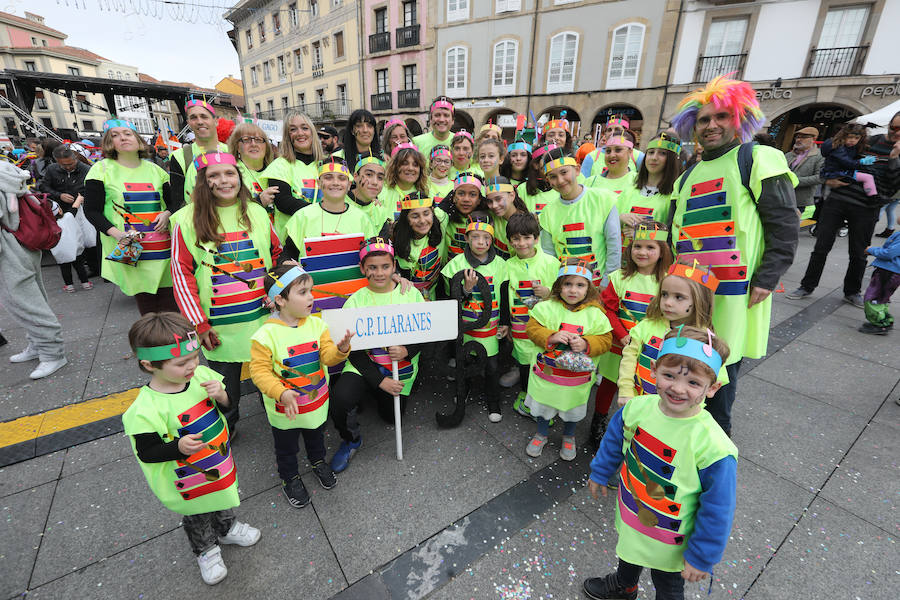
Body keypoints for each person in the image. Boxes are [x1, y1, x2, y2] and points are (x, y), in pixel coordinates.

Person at [670, 75, 799, 436]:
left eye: (721, 117)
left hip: (736, 293)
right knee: (687, 368)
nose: (711, 125)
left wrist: (767, 278)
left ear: (739, 119)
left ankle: (714, 453)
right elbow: (675, 234)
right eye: (704, 119)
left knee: (720, 377)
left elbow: (784, 224)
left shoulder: (759, 158)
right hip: (691, 294)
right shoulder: (688, 174)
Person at [584, 325, 737, 600]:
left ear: (712, 388)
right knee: (629, 552)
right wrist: (600, 471)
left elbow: (718, 507)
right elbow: (614, 440)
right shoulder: (637, 408)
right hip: (634, 511)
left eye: (693, 383)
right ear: (653, 369)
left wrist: (702, 556)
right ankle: (624, 585)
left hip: (671, 539)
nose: (678, 389)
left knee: (667, 586)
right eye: (669, 376)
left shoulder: (714, 446)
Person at [123, 312, 260, 585]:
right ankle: (206, 550)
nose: (192, 366)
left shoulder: (201, 376)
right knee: (197, 514)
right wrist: (177, 447)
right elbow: (147, 452)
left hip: (218, 463)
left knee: (223, 495)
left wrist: (221, 395)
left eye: (195, 357)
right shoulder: (145, 409)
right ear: (150, 365)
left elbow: (227, 406)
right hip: (190, 476)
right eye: (182, 362)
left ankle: (227, 527)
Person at [171, 151, 281, 434]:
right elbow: (182, 276)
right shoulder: (185, 219)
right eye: (214, 175)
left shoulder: (256, 211)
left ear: (238, 177)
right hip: (219, 327)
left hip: (262, 318)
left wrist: (278, 292)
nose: (223, 181)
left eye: (229, 173)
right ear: (203, 182)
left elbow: (278, 256)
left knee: (268, 376)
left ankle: (277, 418)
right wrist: (200, 324)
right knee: (224, 387)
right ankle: (226, 426)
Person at [249, 264, 352, 506]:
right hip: (285, 410)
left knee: (317, 436)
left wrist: (341, 350)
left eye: (311, 291)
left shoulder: (317, 325)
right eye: (303, 292)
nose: (311, 297)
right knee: (286, 447)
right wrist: (281, 392)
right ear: (280, 300)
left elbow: (327, 356)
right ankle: (290, 477)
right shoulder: (265, 335)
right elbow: (259, 371)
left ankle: (318, 462)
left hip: (315, 403)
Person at [329, 238, 424, 472]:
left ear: (394, 267)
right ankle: (351, 440)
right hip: (365, 365)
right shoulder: (355, 301)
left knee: (391, 418)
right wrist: (380, 381)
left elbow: (426, 334)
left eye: (385, 266)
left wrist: (407, 350)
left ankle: (374, 395)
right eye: (372, 267)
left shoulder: (409, 294)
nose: (379, 273)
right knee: (340, 399)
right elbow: (355, 353)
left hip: (398, 365)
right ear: (363, 269)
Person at [84, 119, 178, 315]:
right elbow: (92, 211)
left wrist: (167, 213)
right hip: (129, 247)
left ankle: (176, 345)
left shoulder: (157, 170)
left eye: (127, 133)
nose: (122, 138)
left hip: (162, 247)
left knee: (171, 306)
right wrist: (118, 235)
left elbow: (174, 203)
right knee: (148, 309)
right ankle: (154, 345)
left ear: (138, 139)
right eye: (115, 135)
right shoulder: (100, 170)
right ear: (109, 143)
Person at [592, 222, 672, 450]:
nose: (642, 252)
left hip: (650, 349)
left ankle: (640, 427)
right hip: (619, 345)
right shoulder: (619, 278)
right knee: (609, 383)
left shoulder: (667, 280)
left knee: (645, 386)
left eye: (650, 247)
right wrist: (622, 335)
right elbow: (607, 309)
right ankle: (598, 422)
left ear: (661, 251)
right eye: (637, 246)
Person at [523, 257, 612, 460]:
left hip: (575, 381)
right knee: (543, 407)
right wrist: (551, 336)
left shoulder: (596, 315)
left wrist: (587, 343)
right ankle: (541, 433)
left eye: (580, 285)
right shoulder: (546, 307)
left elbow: (606, 340)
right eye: (568, 284)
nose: (573, 290)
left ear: (589, 288)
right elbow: (532, 328)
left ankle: (569, 436)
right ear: (559, 286)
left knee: (573, 409)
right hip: (547, 377)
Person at [617, 260, 719, 407]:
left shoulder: (705, 340)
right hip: (637, 401)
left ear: (699, 300)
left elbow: (711, 379)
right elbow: (629, 357)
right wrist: (625, 389)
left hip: (678, 411)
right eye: (664, 294)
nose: (668, 302)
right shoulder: (647, 326)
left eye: (678, 297)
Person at [0, 160, 68, 379]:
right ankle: (40, 346)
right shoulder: (7, 173)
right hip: (23, 244)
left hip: (8, 251)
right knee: (33, 298)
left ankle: (52, 353)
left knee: (26, 303)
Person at [441, 212, 509, 421]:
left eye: (486, 238)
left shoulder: (500, 264)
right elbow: (449, 300)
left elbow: (505, 295)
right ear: (467, 238)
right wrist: (466, 290)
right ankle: (463, 392)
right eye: (476, 237)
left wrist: (506, 322)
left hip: (491, 328)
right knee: (466, 363)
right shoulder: (456, 264)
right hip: (467, 328)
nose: (481, 242)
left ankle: (493, 402)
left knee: (492, 367)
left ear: (492, 240)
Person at [501, 212, 559, 413]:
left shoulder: (552, 263)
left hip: (545, 326)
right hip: (519, 325)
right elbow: (503, 297)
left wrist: (548, 293)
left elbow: (564, 296)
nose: (522, 243)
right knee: (524, 361)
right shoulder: (507, 266)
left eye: (527, 238)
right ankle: (525, 393)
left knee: (544, 360)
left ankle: (544, 398)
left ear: (536, 238)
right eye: (516, 238)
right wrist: (506, 323)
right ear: (509, 241)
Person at [539, 148, 621, 288]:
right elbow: (549, 257)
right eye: (553, 176)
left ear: (577, 170)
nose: (560, 180)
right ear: (548, 181)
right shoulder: (547, 213)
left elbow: (614, 246)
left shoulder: (603, 199)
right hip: (565, 288)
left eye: (564, 172)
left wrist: (607, 282)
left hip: (598, 285)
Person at [40, 144, 95, 287]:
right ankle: (74, 267)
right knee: (67, 240)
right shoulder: (52, 170)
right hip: (60, 212)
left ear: (75, 158)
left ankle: (92, 268)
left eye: (71, 163)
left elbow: (93, 189)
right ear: (57, 162)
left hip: (82, 208)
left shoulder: (86, 169)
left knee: (87, 238)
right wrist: (59, 195)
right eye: (65, 165)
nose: (69, 167)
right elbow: (44, 187)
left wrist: (81, 197)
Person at [617, 133, 682, 246]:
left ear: (671, 158)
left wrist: (641, 235)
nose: (654, 157)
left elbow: (675, 235)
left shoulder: (675, 195)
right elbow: (606, 226)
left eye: (662, 153)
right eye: (651, 152)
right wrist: (620, 218)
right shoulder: (629, 191)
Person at [226, 122, 287, 234]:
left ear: (266, 146)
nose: (253, 144)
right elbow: (225, 213)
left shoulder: (278, 170)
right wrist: (259, 202)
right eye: (246, 140)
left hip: (281, 242)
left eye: (259, 139)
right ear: (237, 147)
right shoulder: (229, 174)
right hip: (250, 241)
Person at [269, 111, 322, 232]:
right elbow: (283, 201)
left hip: (322, 234)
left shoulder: (327, 164)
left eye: (304, 128)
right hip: (292, 239)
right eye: (293, 129)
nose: (300, 133)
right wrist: (322, 211)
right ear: (288, 136)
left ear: (312, 132)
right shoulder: (280, 165)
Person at [170, 99, 228, 205]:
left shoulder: (232, 151)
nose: (200, 121)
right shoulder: (180, 156)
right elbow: (177, 202)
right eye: (193, 117)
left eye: (204, 116)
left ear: (216, 121)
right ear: (188, 123)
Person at [392, 192, 448, 300]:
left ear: (432, 212)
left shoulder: (442, 220)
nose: (422, 221)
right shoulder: (395, 237)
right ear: (406, 219)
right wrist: (394, 276)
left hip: (433, 298)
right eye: (415, 216)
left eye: (426, 213)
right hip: (405, 299)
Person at [858, 219, 900, 334]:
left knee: (873, 297)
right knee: (882, 297)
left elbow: (889, 253)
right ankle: (883, 320)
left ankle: (880, 324)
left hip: (889, 271)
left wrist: (871, 250)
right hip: (892, 271)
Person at [438, 171, 489, 257]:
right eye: (461, 193)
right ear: (453, 197)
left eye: (472, 195)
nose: (466, 199)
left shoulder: (488, 219)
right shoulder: (444, 217)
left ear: (479, 199)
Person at [820, 123, 878, 197]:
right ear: (843, 136)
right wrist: (861, 161)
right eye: (850, 137)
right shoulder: (838, 147)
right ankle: (873, 197)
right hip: (835, 173)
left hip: (840, 172)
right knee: (868, 178)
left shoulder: (851, 147)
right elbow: (847, 162)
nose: (852, 140)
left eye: (856, 138)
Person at [381, 143, 429, 223]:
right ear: (395, 167)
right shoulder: (382, 192)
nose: (410, 168)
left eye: (415, 165)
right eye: (405, 163)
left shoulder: (427, 193)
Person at [484, 175, 528, 260]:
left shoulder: (525, 224)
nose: (494, 205)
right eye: (490, 201)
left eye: (498, 199)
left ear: (512, 195)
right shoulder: (491, 216)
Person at [784, 126, 824, 219]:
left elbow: (820, 177)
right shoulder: (788, 155)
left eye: (803, 137)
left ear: (813, 139)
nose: (798, 139)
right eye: (797, 137)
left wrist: (795, 181)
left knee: (790, 228)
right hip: (781, 197)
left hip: (799, 200)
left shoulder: (819, 156)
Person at [350, 153, 390, 234]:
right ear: (356, 176)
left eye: (380, 178)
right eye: (369, 174)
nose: (375, 182)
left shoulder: (380, 211)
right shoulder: (340, 203)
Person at [517, 144, 558, 216]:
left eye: (556, 159)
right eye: (547, 159)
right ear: (536, 164)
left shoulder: (562, 187)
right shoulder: (522, 189)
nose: (553, 163)